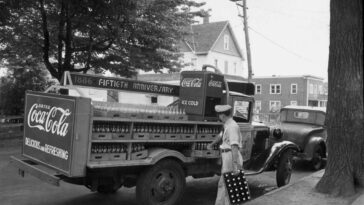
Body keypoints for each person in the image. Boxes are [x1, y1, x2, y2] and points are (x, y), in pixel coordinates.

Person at [207, 104, 244, 205]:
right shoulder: (227, 125)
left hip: (231, 156)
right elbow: (220, 136)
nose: (219, 117)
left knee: (228, 187)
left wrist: (235, 165)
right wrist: (211, 144)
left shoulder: (232, 126)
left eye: (219, 115)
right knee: (224, 185)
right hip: (227, 156)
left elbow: (234, 146)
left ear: (223, 115)